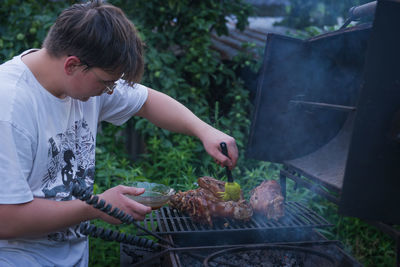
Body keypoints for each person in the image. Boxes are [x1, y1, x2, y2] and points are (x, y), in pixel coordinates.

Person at [0, 1, 238, 266]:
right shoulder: (9, 108)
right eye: (106, 82)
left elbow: (146, 101)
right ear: (72, 65)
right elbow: (6, 219)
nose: (110, 91)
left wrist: (204, 130)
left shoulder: (82, 81)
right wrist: (96, 206)